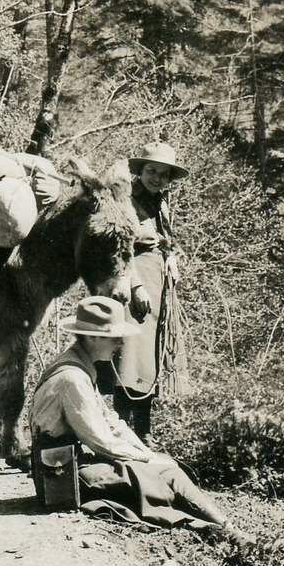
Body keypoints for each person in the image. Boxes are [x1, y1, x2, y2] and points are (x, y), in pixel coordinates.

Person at [28, 294, 229, 531]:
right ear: (93, 337)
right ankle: (220, 529)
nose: (120, 344)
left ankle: (222, 526)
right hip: (60, 476)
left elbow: (111, 422)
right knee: (151, 474)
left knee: (161, 466)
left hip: (70, 465)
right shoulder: (73, 378)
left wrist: (146, 453)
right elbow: (101, 441)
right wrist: (145, 460)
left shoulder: (79, 367)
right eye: (115, 338)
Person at [98, 140, 188, 439]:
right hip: (133, 286)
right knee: (129, 357)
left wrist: (171, 257)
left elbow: (164, 240)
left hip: (158, 286)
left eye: (164, 174)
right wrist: (136, 286)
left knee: (150, 357)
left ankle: (143, 431)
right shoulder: (125, 201)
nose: (157, 178)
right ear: (141, 171)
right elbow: (119, 248)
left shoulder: (160, 204)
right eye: (151, 171)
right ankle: (123, 430)